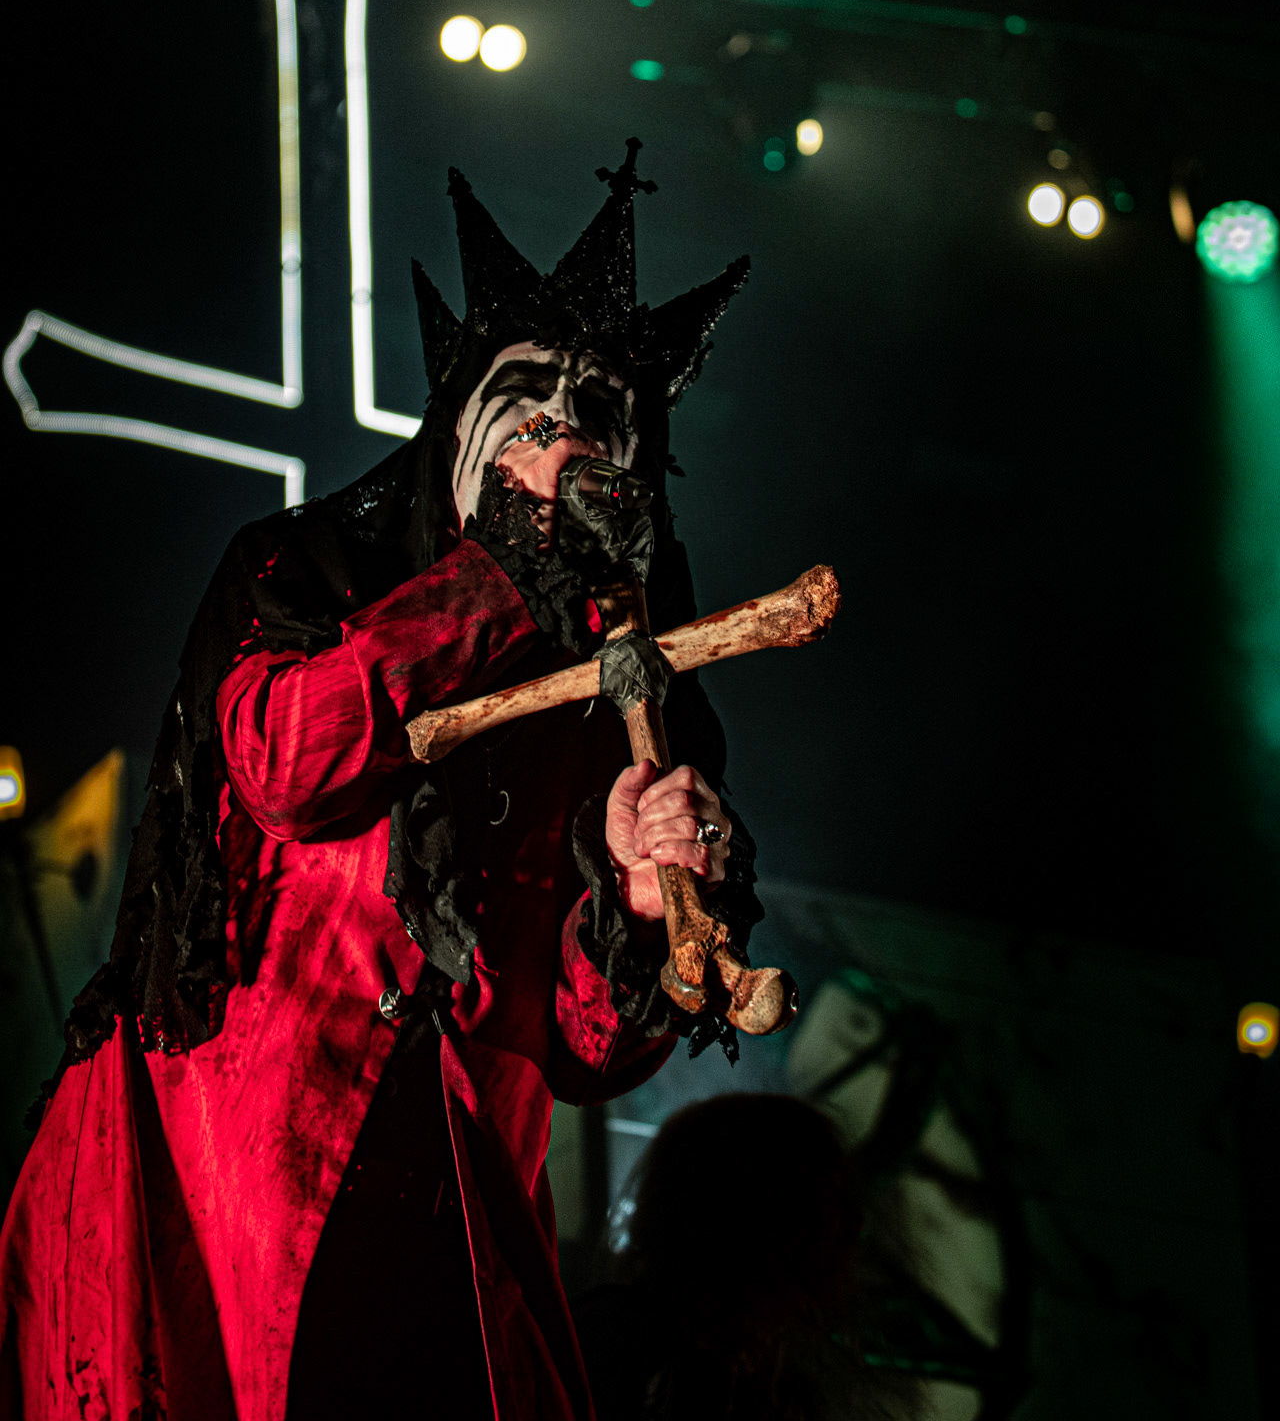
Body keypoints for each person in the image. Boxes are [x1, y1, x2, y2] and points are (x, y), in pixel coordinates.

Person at [0, 143, 765, 1421]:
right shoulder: (305, 576)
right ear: (461, 431)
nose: (567, 449)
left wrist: (638, 899)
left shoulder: (632, 694)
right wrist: (500, 576)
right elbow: (289, 770)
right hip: (214, 1177)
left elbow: (584, 1049)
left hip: (443, 1207)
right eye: (529, 420)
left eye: (598, 427)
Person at [573, 1094, 924, 1421]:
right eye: (823, 1203)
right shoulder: (621, 1345)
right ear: (761, 1219)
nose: (853, 1228)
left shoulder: (764, 1371)